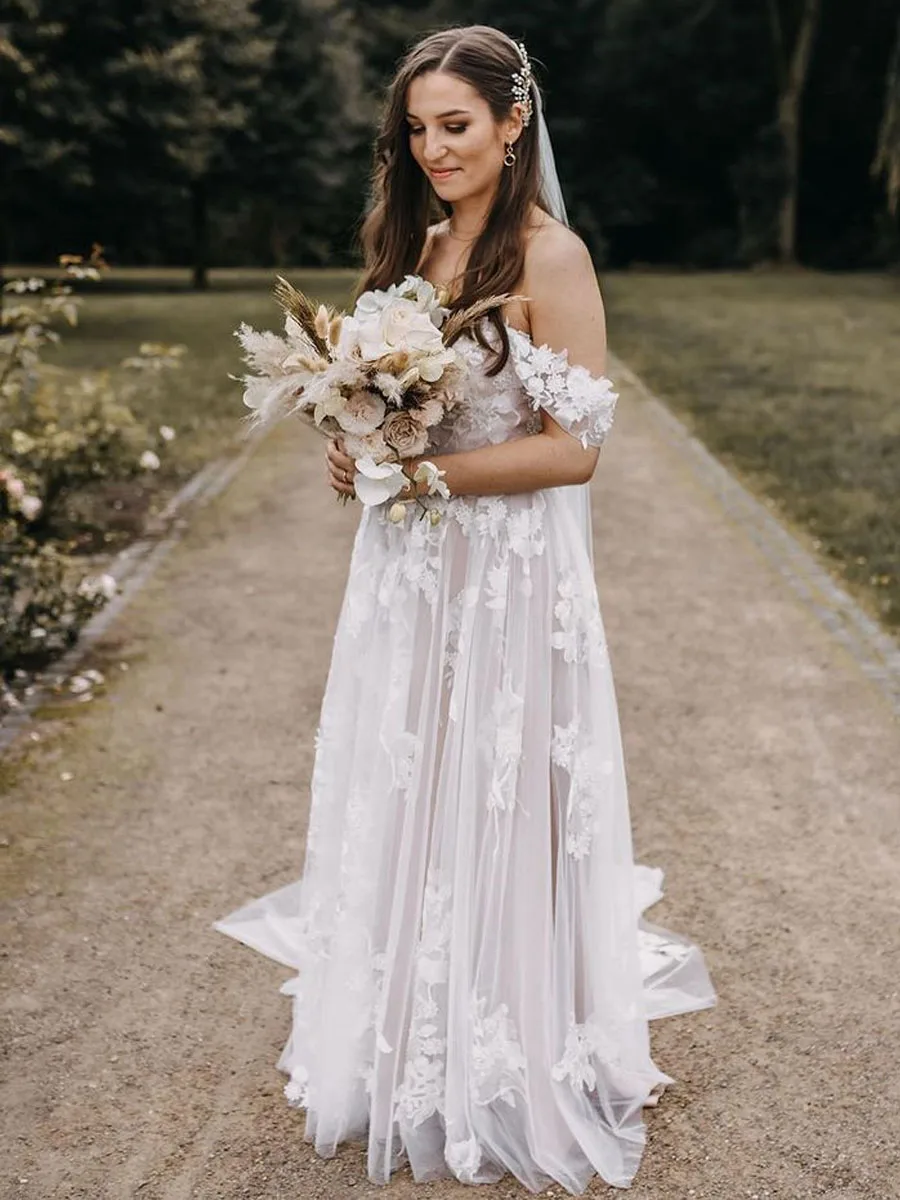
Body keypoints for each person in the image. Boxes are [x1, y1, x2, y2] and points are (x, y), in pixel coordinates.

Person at [216, 24, 716, 1194]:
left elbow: (575, 450)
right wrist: (354, 451)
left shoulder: (553, 258)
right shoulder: (415, 246)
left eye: (457, 124)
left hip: (509, 579)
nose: (434, 146)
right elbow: (385, 415)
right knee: (413, 780)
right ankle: (410, 1028)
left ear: (511, 124)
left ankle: (520, 1035)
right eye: (418, 128)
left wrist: (420, 472)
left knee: (499, 786)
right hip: (407, 576)